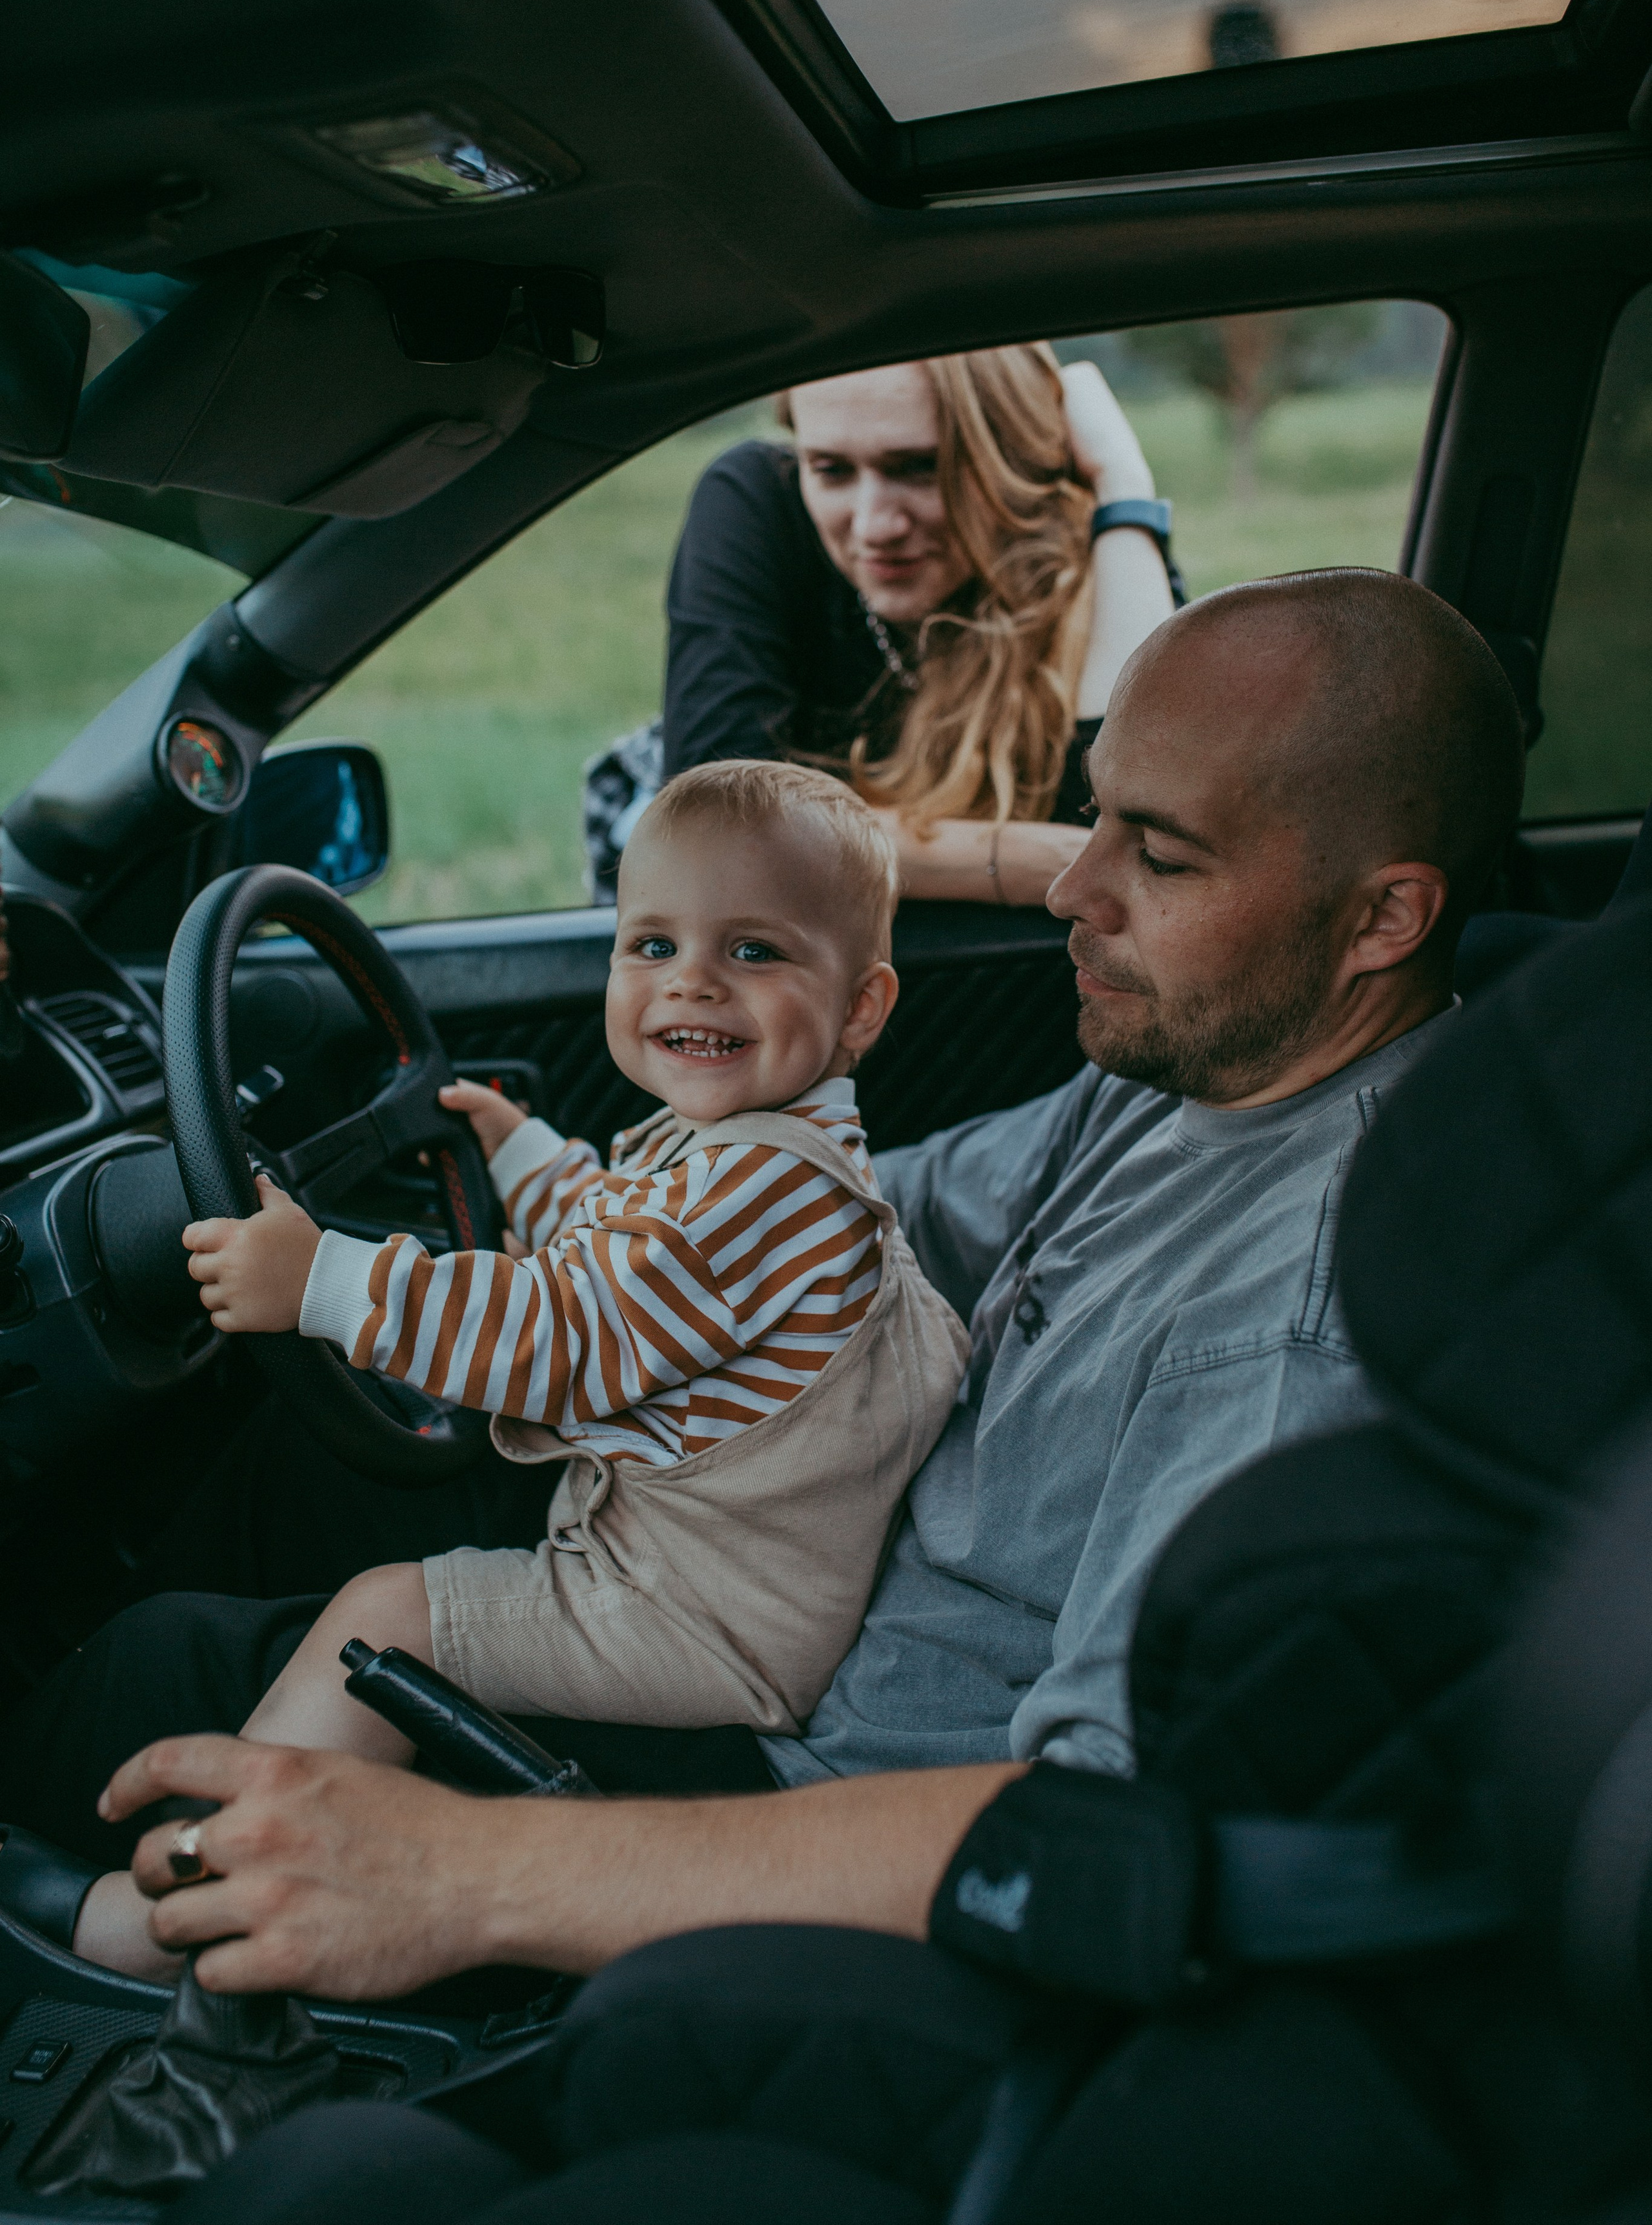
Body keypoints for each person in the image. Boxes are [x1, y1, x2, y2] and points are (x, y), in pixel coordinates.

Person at [0, 568, 1527, 2001]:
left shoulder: (1304, 1319)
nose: (1069, 885)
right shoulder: (1189, 1072)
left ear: (1381, 918)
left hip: (811, 1776)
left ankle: (85, 1957)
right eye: (1094, 817)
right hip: (776, 1538)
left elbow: (1093, 1830)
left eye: (1159, 853)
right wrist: (576, 1216)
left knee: (182, 1666)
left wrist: (478, 1868)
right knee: (294, 1470)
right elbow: (854, 1223)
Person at [72, 762, 967, 1976]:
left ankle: (184, 1912)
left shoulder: (764, 1191)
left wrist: (322, 1280)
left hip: (702, 1623)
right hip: (721, 1570)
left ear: (862, 1009)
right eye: (650, 942)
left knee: (386, 1617)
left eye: (753, 951)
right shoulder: (765, 1152)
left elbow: (565, 1333)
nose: (691, 979)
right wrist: (519, 1146)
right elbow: (624, 1239)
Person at [632, 348, 1178, 908]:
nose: (874, 526)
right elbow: (718, 823)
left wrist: (1123, 487)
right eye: (830, 469)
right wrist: (1036, 861)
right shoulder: (761, 501)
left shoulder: (1097, 551)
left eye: (920, 467)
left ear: (1014, 460)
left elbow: (1144, 812)